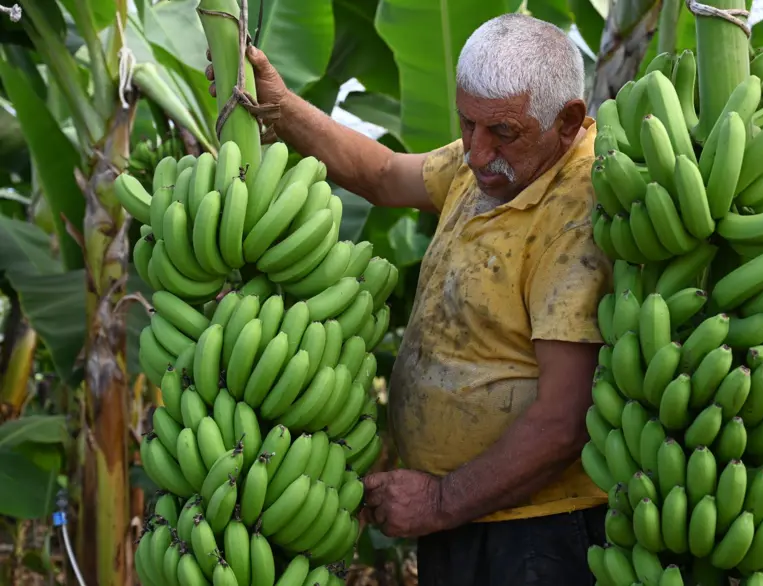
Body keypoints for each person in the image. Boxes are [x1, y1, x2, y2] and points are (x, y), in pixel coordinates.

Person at [207, 12, 611, 586]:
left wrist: (440, 501)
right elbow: (382, 174)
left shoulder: (576, 212)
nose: (476, 152)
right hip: (464, 521)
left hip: (536, 534)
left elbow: (564, 421)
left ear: (567, 122)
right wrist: (281, 105)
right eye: (466, 123)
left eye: (502, 132)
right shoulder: (495, 165)